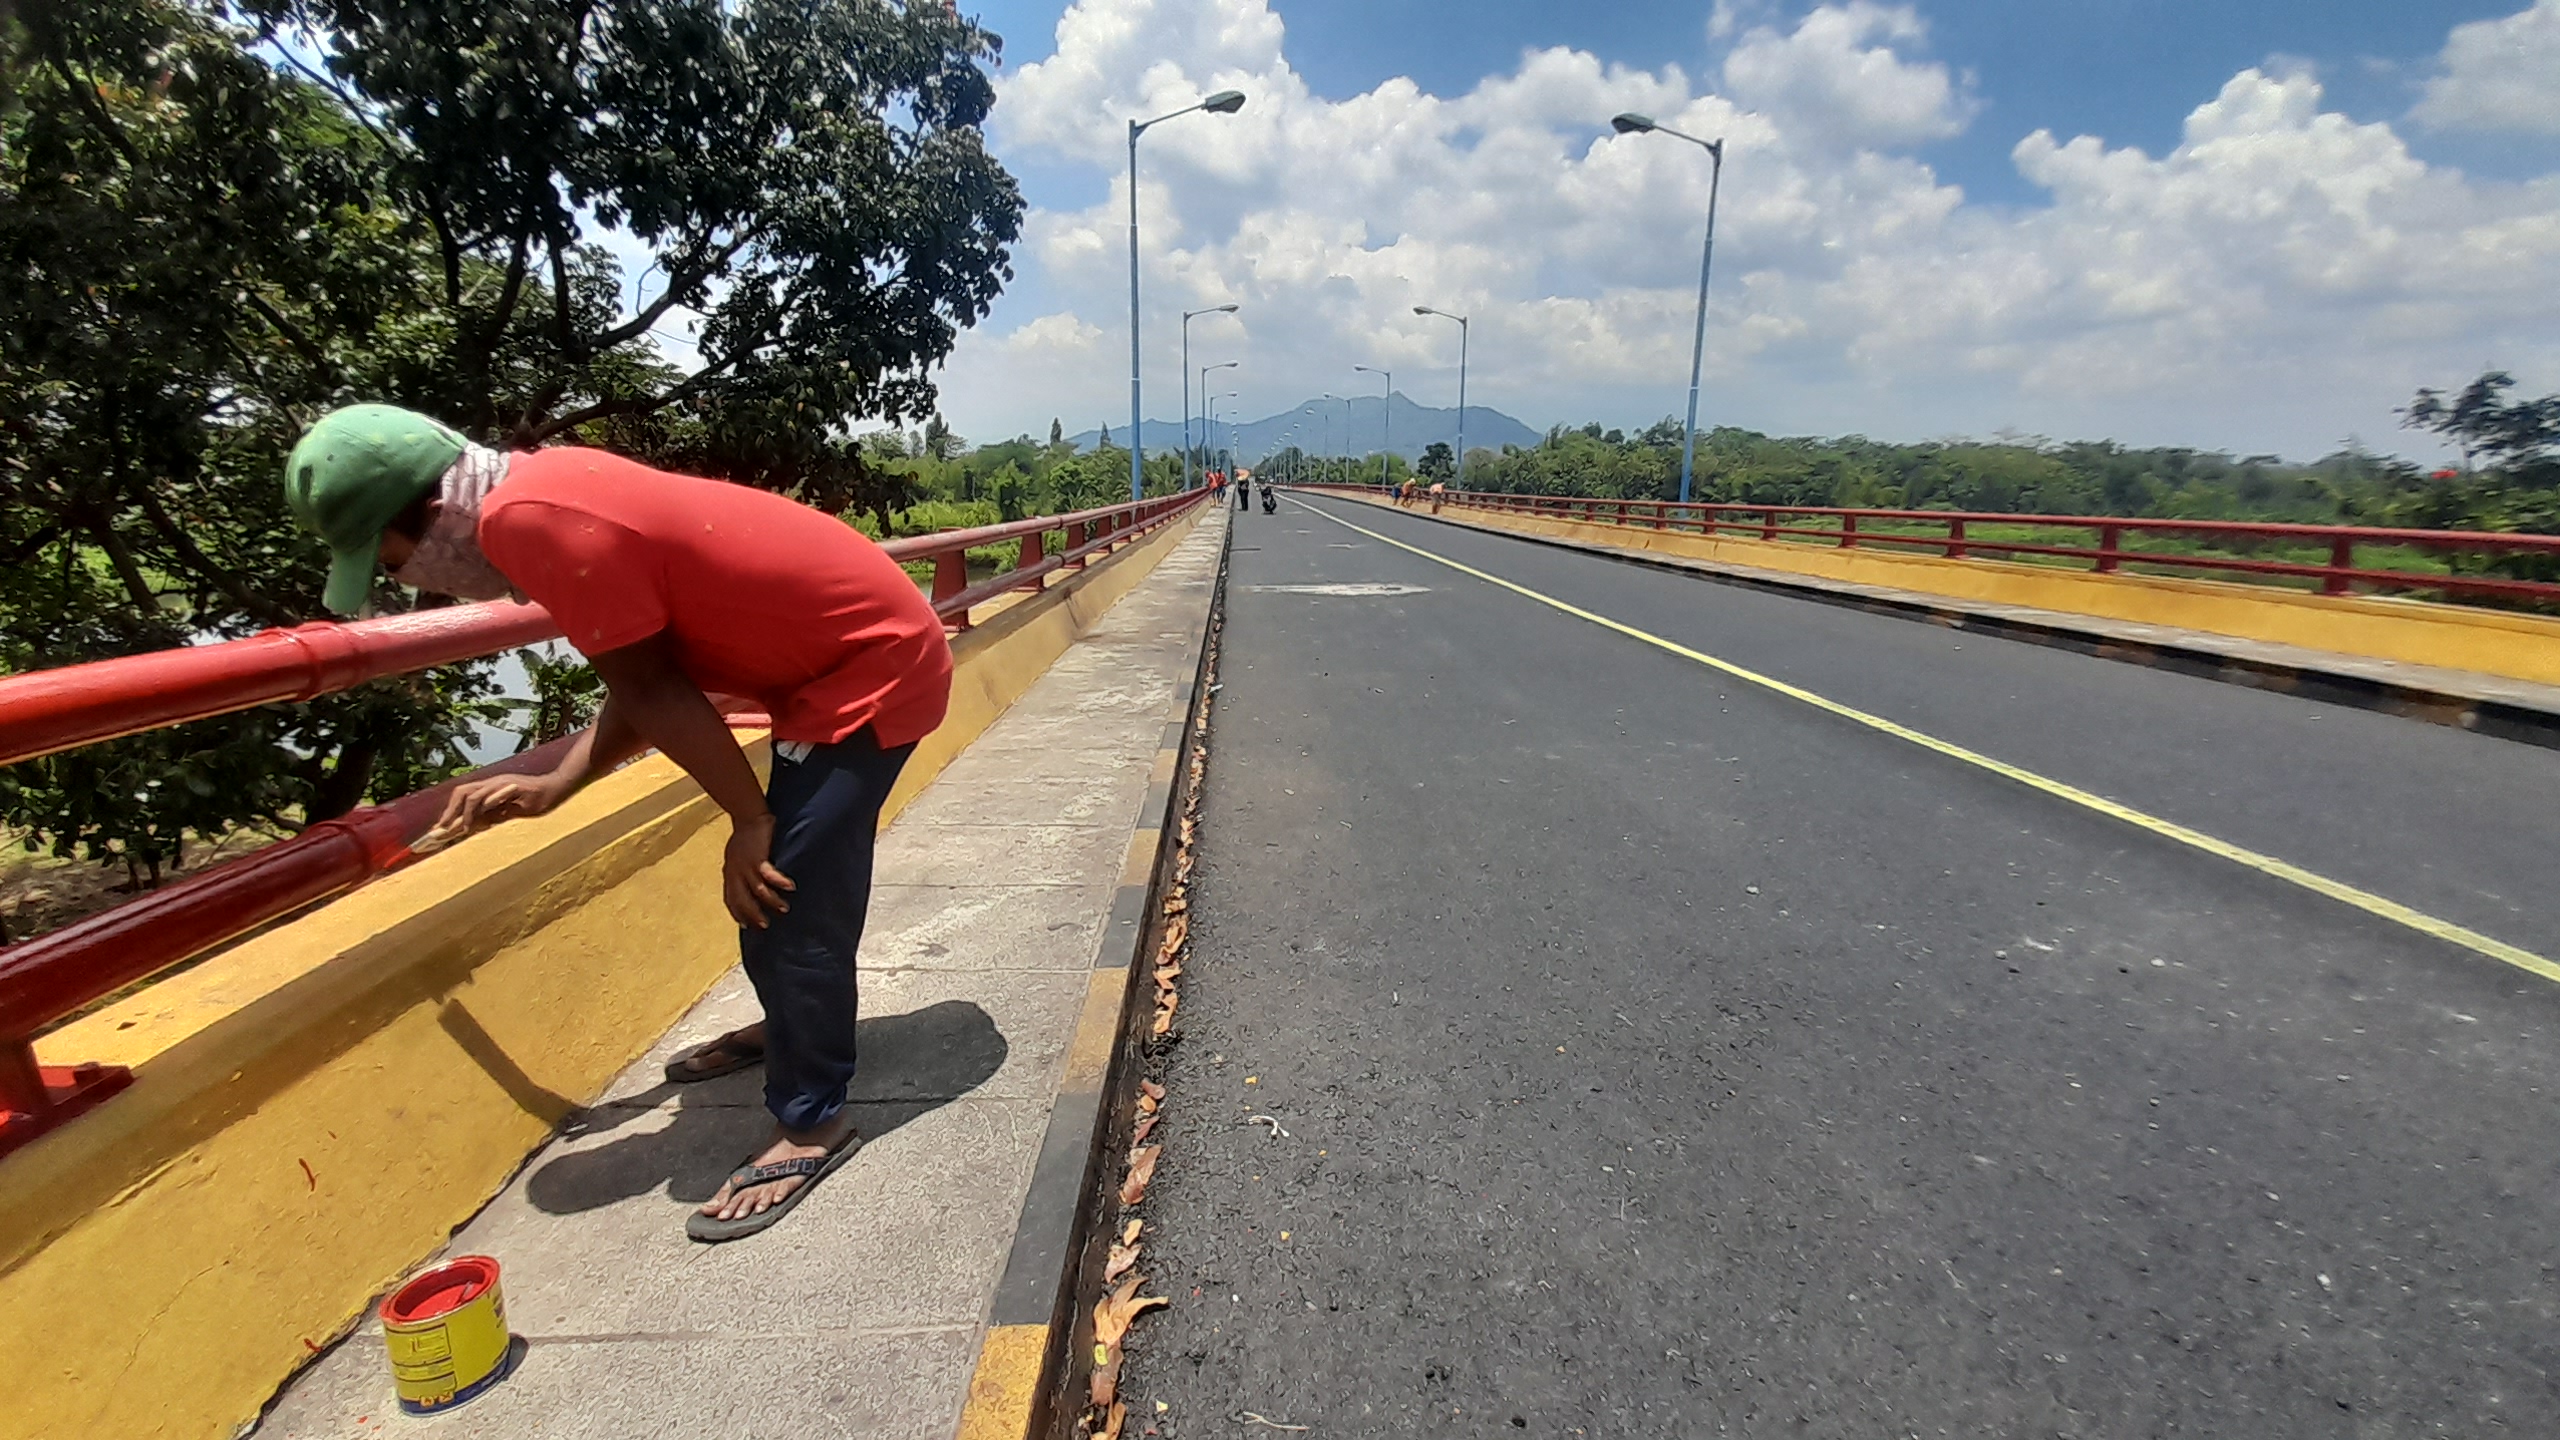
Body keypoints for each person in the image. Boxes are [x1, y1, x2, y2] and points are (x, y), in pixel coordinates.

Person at [282, 404, 953, 1243]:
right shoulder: (540, 487)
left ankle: (809, 1121)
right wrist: (556, 782)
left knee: (786, 896)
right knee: (774, 902)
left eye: (392, 558)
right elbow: (643, 672)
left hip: (870, 671)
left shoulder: (527, 522)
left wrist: (749, 818)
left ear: (426, 515)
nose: (415, 583)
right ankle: (795, 1031)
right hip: (833, 667)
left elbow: (654, 691)